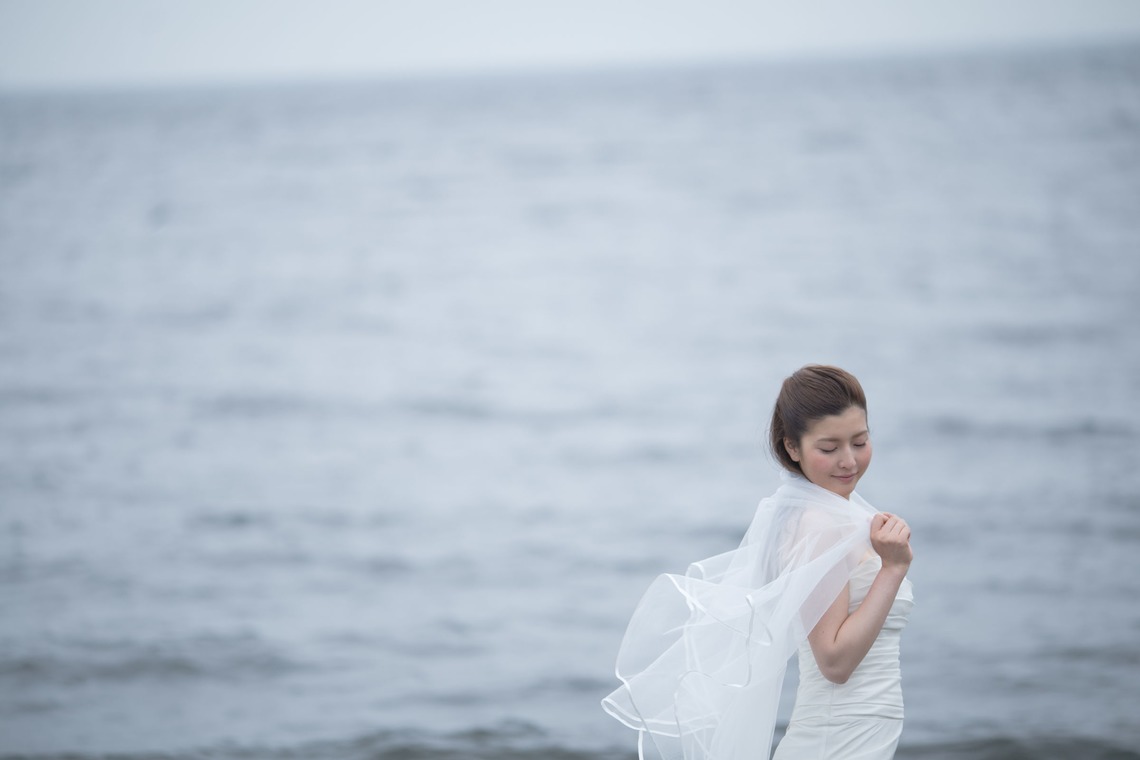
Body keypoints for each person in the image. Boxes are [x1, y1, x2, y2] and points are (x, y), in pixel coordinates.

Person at [602, 365, 913, 760]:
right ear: (792, 449)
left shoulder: (836, 516)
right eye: (829, 448)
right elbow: (834, 662)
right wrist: (893, 569)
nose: (848, 461)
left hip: (857, 734)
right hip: (836, 740)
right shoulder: (820, 525)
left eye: (860, 441)